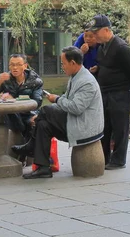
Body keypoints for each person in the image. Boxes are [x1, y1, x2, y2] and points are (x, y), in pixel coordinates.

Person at [16, 46, 104, 179]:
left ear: (73, 63)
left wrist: (56, 99)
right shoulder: (75, 77)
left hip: (84, 127)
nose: (62, 66)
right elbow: (68, 100)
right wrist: (57, 99)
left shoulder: (87, 82)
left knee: (46, 110)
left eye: (63, 63)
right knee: (43, 125)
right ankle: (43, 167)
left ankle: (31, 145)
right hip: (74, 121)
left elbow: (76, 107)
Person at [88, 15, 130, 170]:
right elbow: (106, 66)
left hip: (120, 93)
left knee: (120, 127)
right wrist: (98, 70)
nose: (94, 35)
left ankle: (119, 159)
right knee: (105, 126)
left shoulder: (121, 48)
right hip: (105, 92)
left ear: (106, 30)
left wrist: (128, 88)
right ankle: (104, 157)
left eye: (96, 32)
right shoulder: (102, 47)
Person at [0, 54, 43, 143]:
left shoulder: (35, 81)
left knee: (35, 123)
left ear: (25, 66)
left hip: (29, 113)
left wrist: (13, 99)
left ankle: (27, 152)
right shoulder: (6, 79)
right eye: (12, 65)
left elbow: (37, 102)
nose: (15, 68)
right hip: (11, 115)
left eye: (18, 64)